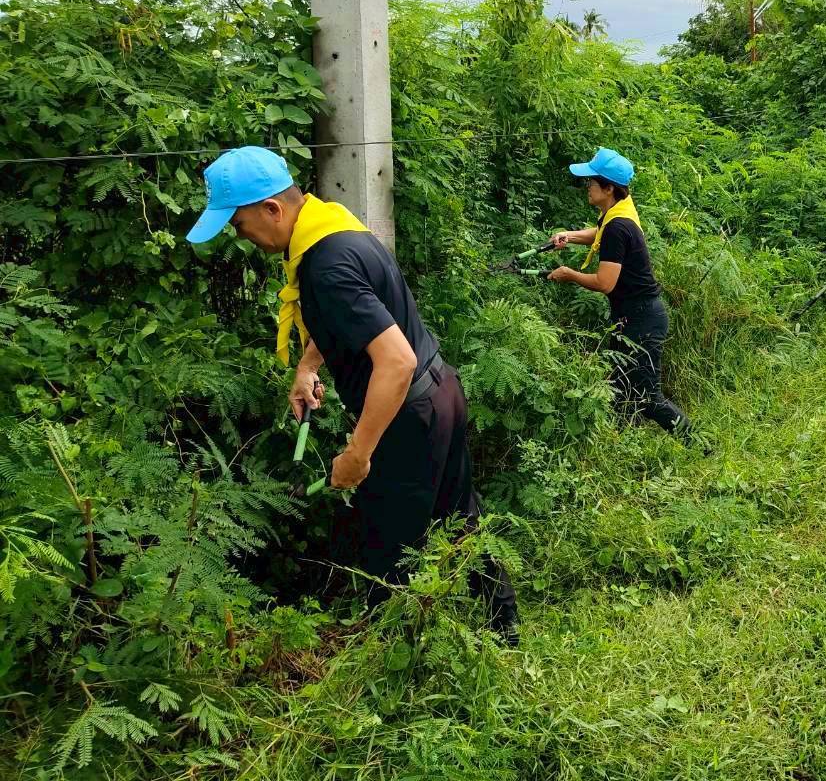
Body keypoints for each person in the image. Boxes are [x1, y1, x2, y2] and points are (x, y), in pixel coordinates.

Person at [185, 146, 518, 642]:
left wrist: (358, 454)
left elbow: (396, 362)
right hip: (441, 392)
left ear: (271, 209)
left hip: (408, 416)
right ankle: (504, 630)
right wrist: (307, 366)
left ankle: (393, 663)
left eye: (239, 224)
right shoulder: (335, 227)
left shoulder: (325, 268)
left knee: (390, 554)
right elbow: (355, 320)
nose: (242, 237)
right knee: (460, 518)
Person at [548, 148, 692, 439]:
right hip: (632, 316)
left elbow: (605, 283)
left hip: (642, 320)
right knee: (619, 388)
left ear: (608, 188)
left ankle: (699, 444)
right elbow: (599, 232)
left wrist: (569, 274)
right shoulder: (618, 210)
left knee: (649, 398)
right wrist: (570, 235)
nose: (587, 186)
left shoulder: (618, 227)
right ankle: (620, 445)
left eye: (591, 182)